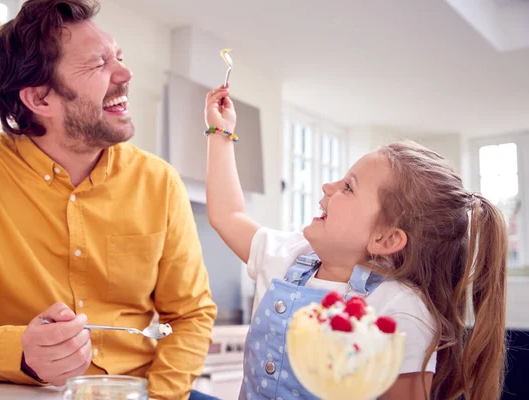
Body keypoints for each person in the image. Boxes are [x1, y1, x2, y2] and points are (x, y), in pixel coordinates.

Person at [0, 1, 217, 399]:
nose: (126, 72)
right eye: (98, 65)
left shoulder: (159, 182)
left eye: (118, 56)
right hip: (20, 389)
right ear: (40, 100)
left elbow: (191, 314)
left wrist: (159, 396)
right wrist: (22, 354)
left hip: (139, 390)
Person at [204, 86, 507, 400]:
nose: (327, 186)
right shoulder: (287, 256)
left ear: (385, 238)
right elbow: (228, 214)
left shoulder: (401, 310)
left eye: (348, 187)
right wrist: (220, 132)